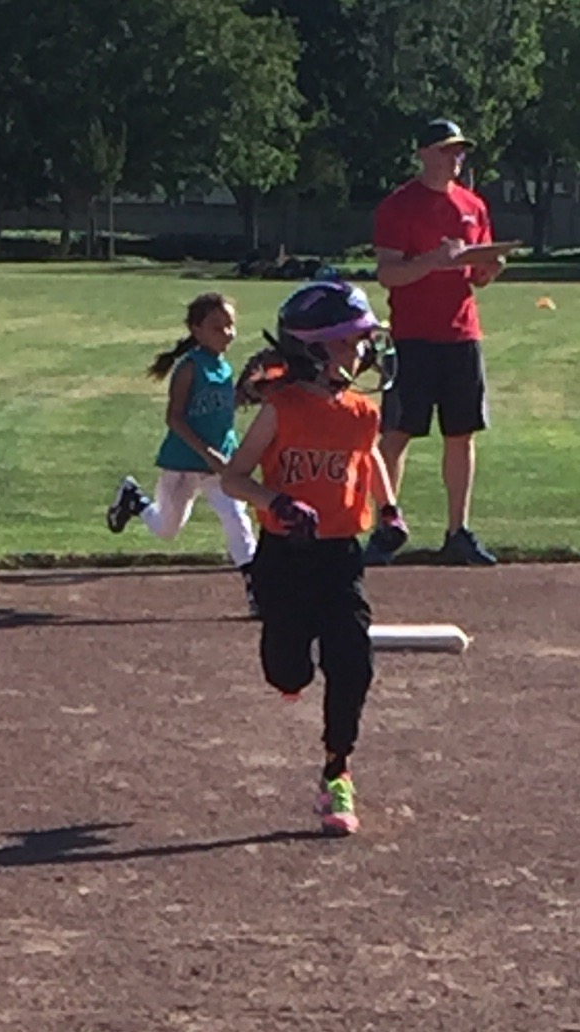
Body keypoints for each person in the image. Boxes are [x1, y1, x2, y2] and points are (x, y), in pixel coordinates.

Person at [217, 277, 396, 836]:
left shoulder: (362, 412)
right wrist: (276, 502)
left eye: (362, 339)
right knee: (287, 667)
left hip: (340, 555)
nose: (362, 349)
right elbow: (233, 478)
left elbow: (369, 459)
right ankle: (289, 672)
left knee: (353, 660)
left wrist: (389, 509)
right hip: (284, 556)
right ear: (313, 348)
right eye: (349, 340)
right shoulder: (282, 408)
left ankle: (337, 770)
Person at [369, 115, 509, 566]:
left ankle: (458, 531)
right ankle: (386, 527)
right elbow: (388, 273)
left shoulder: (473, 205)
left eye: (460, 151)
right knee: (397, 433)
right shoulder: (399, 206)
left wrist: (488, 269)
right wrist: (431, 260)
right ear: (425, 153)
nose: (456, 158)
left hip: (461, 333)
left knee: (461, 434)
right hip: (412, 335)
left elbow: (477, 275)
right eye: (448, 150)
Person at [105, 291, 257, 601]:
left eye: (230, 325)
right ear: (196, 330)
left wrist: (250, 393)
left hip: (221, 465)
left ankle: (257, 588)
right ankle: (134, 499)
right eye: (217, 327)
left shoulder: (224, 367)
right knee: (167, 529)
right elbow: (174, 418)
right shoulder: (189, 368)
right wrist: (208, 454)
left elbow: (221, 407)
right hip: (184, 463)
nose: (227, 333)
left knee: (236, 519)